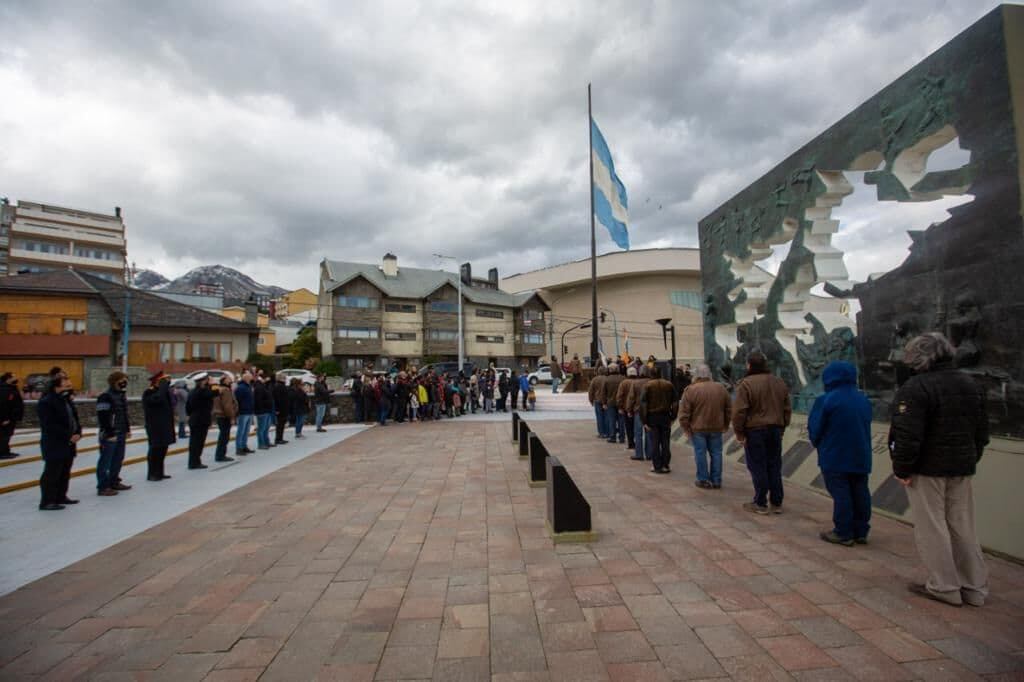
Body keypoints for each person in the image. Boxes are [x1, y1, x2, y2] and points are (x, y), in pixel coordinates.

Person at [890, 333, 989, 607]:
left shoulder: (916, 387)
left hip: (928, 468)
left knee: (932, 527)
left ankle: (944, 586)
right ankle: (974, 587)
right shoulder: (971, 384)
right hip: (961, 466)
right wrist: (971, 457)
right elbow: (982, 432)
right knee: (963, 525)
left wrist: (902, 468)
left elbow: (908, 435)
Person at [808, 360, 873, 546]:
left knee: (841, 493)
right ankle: (861, 530)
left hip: (834, 454)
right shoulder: (863, 399)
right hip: (861, 454)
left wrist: (818, 442)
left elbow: (816, 428)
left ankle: (843, 531)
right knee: (860, 492)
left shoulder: (826, 400)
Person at [732, 351, 792, 515]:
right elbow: (787, 408)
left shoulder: (746, 384)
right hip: (775, 428)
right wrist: (783, 427)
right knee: (774, 465)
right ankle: (777, 502)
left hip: (755, 430)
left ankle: (760, 502)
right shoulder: (779, 382)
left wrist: (739, 432)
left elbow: (739, 411)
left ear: (749, 365)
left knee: (758, 466)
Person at [678, 364, 731, 490]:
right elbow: (729, 409)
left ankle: (703, 479)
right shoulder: (721, 388)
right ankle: (716, 480)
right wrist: (725, 424)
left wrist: (686, 429)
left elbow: (684, 413)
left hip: (698, 428)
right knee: (717, 453)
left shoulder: (691, 390)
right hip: (716, 427)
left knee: (700, 453)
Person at [37, 375, 81, 510]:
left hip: (69, 443)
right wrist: (68, 435)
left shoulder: (66, 400)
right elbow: (49, 424)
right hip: (54, 443)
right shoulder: (47, 402)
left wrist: (78, 432)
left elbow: (74, 419)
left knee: (65, 471)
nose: (70, 388)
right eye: (66, 386)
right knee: (52, 473)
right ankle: (47, 500)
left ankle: (61, 496)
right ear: (57, 386)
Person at [95, 371, 132, 496]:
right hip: (110, 434)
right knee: (106, 461)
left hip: (121, 432)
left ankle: (114, 481)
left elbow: (124, 414)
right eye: (122, 380)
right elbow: (103, 417)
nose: (124, 382)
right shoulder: (105, 396)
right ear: (115, 381)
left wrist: (127, 429)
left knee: (118, 459)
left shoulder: (121, 395)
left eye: (125, 380)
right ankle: (102, 486)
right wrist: (110, 433)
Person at [640, 366, 675, 474]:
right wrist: (673, 416)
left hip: (652, 416)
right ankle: (665, 464)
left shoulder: (647, 386)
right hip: (665, 416)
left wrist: (644, 421)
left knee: (654, 442)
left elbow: (643, 404)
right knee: (665, 442)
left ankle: (657, 466)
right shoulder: (668, 384)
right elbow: (675, 402)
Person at [142, 372, 175, 481]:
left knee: (163, 449)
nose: (166, 383)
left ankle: (160, 472)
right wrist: (162, 388)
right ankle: (152, 473)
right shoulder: (149, 392)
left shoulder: (164, 392)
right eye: (164, 381)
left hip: (165, 425)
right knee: (155, 449)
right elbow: (157, 400)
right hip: (154, 426)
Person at [186, 373, 215, 469]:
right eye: (206, 380)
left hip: (194, 418)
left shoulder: (192, 391)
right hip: (201, 420)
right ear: (203, 381)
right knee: (198, 443)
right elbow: (215, 392)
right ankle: (195, 462)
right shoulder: (203, 392)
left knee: (194, 442)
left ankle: (193, 461)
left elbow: (188, 408)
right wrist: (213, 383)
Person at [626, 365, 650, 461]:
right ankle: (649, 454)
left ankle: (639, 453)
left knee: (638, 433)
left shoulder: (636, 383)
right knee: (649, 432)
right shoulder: (651, 382)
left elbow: (631, 398)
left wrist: (629, 409)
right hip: (650, 411)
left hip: (638, 410)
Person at [212, 375, 238, 462]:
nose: (230, 380)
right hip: (225, 416)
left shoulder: (218, 389)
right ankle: (221, 455)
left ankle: (220, 455)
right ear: (224, 381)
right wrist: (231, 417)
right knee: (224, 437)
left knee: (222, 436)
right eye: (228, 379)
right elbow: (227, 405)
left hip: (219, 415)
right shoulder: (226, 390)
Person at [0, 372, 25, 460]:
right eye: (13, 377)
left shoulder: (12, 388)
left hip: (12, 417)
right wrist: (4, 418)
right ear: (8, 378)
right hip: (6, 417)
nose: (16, 378)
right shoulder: (3, 389)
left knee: (8, 434)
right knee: (4, 435)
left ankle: (6, 451)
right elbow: (3, 404)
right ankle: (2, 453)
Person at [602, 364, 625, 444]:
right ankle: (622, 437)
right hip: (621, 403)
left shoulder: (607, 379)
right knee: (621, 421)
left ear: (610, 370)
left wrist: (604, 403)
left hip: (610, 402)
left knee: (612, 420)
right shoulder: (623, 378)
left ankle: (613, 437)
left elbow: (604, 392)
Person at [234, 371, 255, 456]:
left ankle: (243, 445)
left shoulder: (248, 387)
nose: (251, 378)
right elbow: (236, 400)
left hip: (249, 411)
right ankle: (239, 448)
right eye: (250, 377)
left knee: (246, 431)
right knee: (241, 431)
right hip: (243, 412)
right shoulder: (241, 388)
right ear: (246, 378)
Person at [616, 366, 637, 450]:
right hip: (637, 408)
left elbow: (619, 396)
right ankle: (637, 442)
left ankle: (631, 443)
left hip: (626, 407)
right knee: (637, 427)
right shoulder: (638, 382)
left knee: (629, 427)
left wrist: (620, 407)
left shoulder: (624, 383)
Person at [253, 374, 274, 448]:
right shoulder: (259, 388)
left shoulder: (263, 387)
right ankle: (261, 444)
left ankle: (266, 442)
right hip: (262, 411)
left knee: (265, 428)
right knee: (262, 429)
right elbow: (258, 400)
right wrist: (262, 409)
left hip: (266, 410)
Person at [589, 366, 608, 438]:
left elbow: (591, 391)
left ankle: (601, 432)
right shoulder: (607, 379)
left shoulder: (595, 379)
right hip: (606, 400)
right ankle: (607, 432)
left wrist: (591, 400)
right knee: (607, 417)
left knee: (599, 417)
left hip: (597, 400)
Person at [272, 373, 290, 445]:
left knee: (281, 425)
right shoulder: (279, 386)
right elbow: (278, 399)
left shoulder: (280, 386)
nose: (285, 379)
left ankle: (280, 438)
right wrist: (277, 409)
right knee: (280, 425)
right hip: (281, 408)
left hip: (282, 408)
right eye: (284, 378)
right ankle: (278, 439)